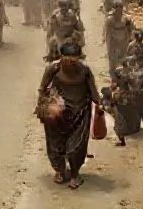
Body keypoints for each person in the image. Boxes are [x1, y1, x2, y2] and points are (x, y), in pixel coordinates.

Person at [36, 42, 102, 189]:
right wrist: (45, 105)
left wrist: (99, 107)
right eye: (67, 60)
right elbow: (42, 89)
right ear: (61, 57)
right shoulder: (53, 68)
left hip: (80, 113)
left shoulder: (84, 70)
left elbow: (94, 93)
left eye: (74, 61)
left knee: (76, 146)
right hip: (58, 114)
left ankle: (74, 174)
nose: (71, 64)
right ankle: (60, 170)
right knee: (55, 144)